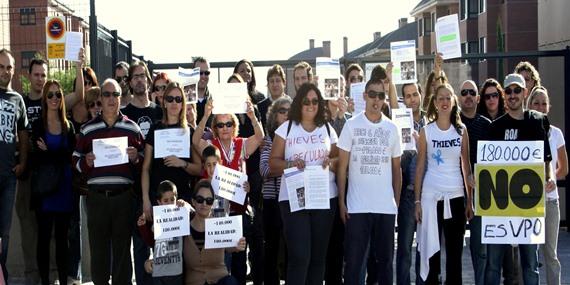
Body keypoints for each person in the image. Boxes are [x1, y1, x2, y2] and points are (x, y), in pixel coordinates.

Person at [485, 74, 555, 285]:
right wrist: (475, 177)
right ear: (504, 95)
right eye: (508, 91)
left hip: (528, 204)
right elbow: (486, 166)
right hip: (500, 205)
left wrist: (549, 177)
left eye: (517, 90)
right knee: (493, 264)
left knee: (530, 264)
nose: (513, 95)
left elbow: (546, 159)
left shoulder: (537, 121)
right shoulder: (495, 127)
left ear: (525, 93)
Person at [73, 78, 145, 285]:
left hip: (123, 198)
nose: (111, 99)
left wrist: (135, 158)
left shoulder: (132, 129)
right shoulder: (87, 129)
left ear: (121, 98)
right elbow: (75, 161)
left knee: (123, 252)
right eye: (106, 95)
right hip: (96, 199)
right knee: (98, 251)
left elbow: (143, 164)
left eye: (115, 95)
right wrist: (85, 162)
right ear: (101, 98)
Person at [269, 82, 338, 285]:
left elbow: (339, 158)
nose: (311, 105)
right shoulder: (286, 129)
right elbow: (272, 164)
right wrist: (289, 163)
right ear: (299, 102)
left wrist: (331, 162)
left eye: (315, 101)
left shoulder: (327, 128)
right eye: (306, 101)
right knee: (300, 257)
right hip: (294, 198)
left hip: (323, 196)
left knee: (318, 259)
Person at [337, 78, 402, 285]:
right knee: (354, 267)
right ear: (364, 96)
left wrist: (396, 203)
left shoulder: (392, 128)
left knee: (384, 267)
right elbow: (342, 168)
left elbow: (396, 170)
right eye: (372, 95)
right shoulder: (351, 125)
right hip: (357, 208)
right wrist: (341, 202)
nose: (376, 100)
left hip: (385, 208)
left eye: (381, 95)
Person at [193, 95, 263, 285]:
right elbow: (195, 139)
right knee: (219, 262)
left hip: (238, 213)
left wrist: (252, 117)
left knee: (239, 262)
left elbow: (260, 138)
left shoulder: (241, 144)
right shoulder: (212, 146)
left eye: (228, 124)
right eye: (220, 125)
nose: (225, 128)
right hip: (216, 213)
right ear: (215, 128)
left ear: (234, 125)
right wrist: (206, 114)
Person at [415, 83, 474, 284]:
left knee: (455, 255)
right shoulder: (426, 131)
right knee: (432, 254)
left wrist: (469, 201)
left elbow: (466, 168)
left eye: (448, 97)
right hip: (431, 198)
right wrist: (416, 202)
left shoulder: (461, 131)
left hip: (456, 197)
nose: (445, 101)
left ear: (454, 101)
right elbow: (420, 166)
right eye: (441, 98)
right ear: (435, 102)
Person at [30, 79, 76, 285]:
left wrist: (50, 152)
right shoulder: (38, 125)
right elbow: (38, 158)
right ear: (44, 98)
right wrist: (56, 155)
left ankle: (64, 281)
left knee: (62, 240)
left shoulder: (68, 125)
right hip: (45, 189)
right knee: (44, 238)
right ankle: (46, 281)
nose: (55, 98)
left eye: (58, 95)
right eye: (50, 95)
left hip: (65, 187)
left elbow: (70, 157)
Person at [142, 82, 202, 221]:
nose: (174, 103)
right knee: (161, 242)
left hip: (183, 199)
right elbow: (145, 168)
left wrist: (182, 163)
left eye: (178, 99)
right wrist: (146, 199)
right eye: (170, 99)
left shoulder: (189, 131)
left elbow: (199, 169)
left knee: (184, 242)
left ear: (183, 103)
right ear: (164, 102)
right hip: (159, 198)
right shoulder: (155, 128)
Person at [527, 86, 567, 285]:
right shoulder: (524, 130)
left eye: (544, 103)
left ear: (549, 106)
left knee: (550, 254)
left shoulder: (557, 133)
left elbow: (563, 167)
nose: (540, 107)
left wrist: (552, 180)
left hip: (550, 202)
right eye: (536, 103)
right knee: (529, 255)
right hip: (527, 202)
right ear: (530, 105)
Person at [457, 80, 491, 285]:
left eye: (472, 92)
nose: (468, 95)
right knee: (452, 248)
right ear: (459, 98)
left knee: (480, 248)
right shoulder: (453, 124)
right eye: (464, 92)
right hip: (454, 190)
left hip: (481, 193)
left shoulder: (488, 126)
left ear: (478, 98)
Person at [0, 49, 29, 283]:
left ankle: (1, 274)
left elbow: (23, 134)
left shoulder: (17, 99)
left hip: (8, 176)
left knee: (5, 231)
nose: (5, 71)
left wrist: (22, 163)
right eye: (1, 67)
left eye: (9, 67)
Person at [183, 179, 246, 285]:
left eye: (209, 200)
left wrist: (238, 245)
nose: (204, 203)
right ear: (193, 201)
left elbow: (230, 246)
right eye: (199, 199)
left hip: (220, 280)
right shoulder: (183, 227)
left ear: (212, 204)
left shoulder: (220, 225)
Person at [395, 82, 426, 285]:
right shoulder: (399, 123)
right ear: (403, 99)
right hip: (407, 193)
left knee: (425, 248)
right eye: (407, 96)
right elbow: (396, 162)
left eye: (415, 94)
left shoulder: (430, 121)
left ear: (421, 95)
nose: (412, 99)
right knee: (405, 248)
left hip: (428, 194)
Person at [259, 97, 291, 285]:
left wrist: (281, 165)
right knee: (271, 251)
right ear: (274, 115)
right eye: (282, 111)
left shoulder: (298, 137)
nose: (286, 114)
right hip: (272, 202)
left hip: (294, 202)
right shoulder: (269, 139)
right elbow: (264, 170)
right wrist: (290, 165)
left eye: (289, 110)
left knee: (291, 251)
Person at [138, 180, 187, 285]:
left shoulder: (181, 218)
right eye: (165, 200)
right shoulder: (156, 221)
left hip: (176, 272)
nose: (169, 203)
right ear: (159, 202)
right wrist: (143, 227)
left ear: (176, 199)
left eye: (172, 199)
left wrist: (185, 206)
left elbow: (193, 217)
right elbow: (151, 242)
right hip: (158, 271)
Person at [194, 57, 211, 124]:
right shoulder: (183, 99)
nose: (203, 76)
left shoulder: (215, 99)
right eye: (199, 73)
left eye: (206, 73)